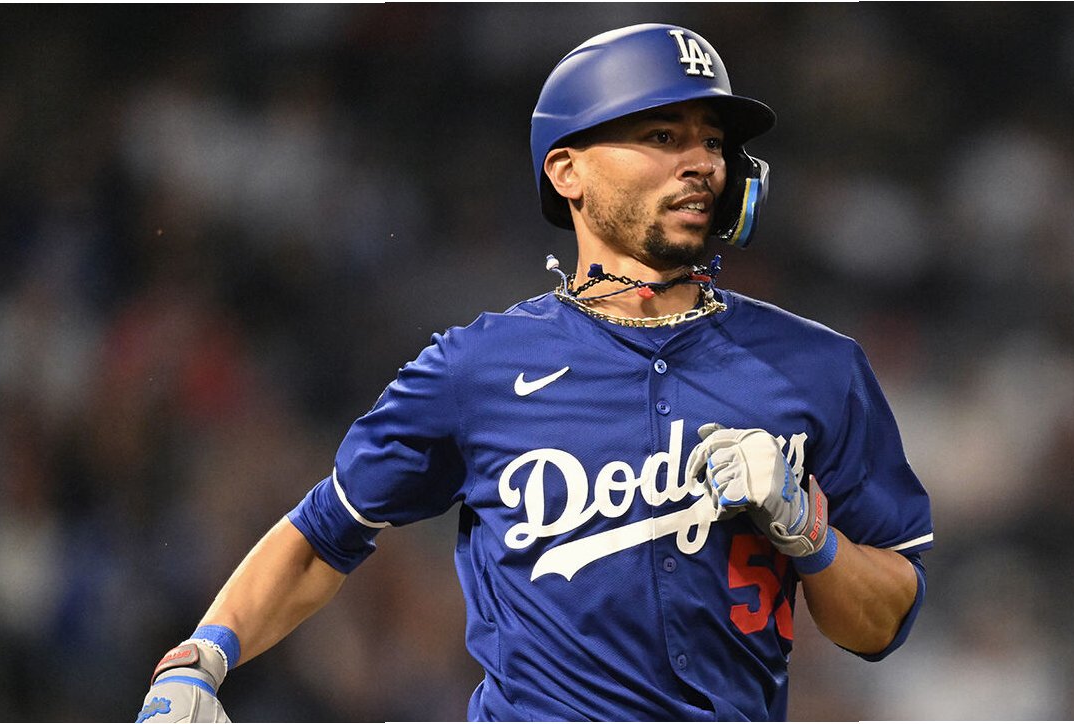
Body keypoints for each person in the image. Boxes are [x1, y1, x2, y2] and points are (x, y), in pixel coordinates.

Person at [136, 23, 933, 722]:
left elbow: (883, 622)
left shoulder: (818, 368)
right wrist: (200, 658)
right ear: (566, 171)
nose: (700, 162)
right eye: (662, 135)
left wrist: (810, 533)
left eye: (713, 141)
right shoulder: (477, 369)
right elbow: (322, 536)